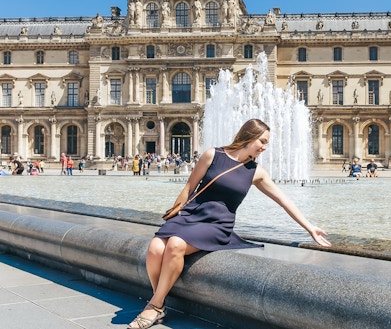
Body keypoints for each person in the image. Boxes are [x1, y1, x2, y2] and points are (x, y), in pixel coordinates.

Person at [127, 119, 331, 329]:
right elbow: (189, 188)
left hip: (217, 224)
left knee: (175, 245)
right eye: (262, 141)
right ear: (249, 136)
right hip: (190, 215)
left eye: (266, 143)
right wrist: (176, 214)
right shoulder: (212, 155)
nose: (264, 147)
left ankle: (155, 306)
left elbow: (284, 200)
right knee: (154, 249)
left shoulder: (256, 172)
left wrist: (309, 227)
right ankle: (157, 301)